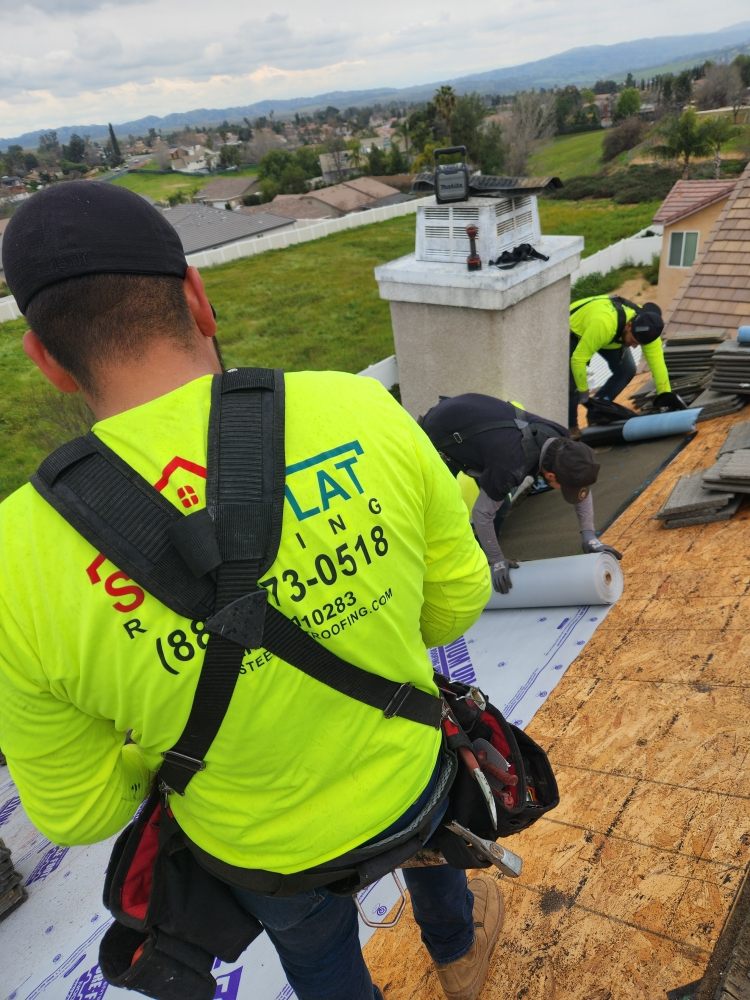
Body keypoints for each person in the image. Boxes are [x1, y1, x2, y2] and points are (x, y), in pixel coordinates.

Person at [0, 182, 502, 1000]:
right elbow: (454, 604)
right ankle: (457, 950)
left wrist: (160, 737)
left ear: (47, 360)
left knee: (320, 959)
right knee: (436, 853)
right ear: (198, 300)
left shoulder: (13, 557)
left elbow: (81, 813)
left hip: (266, 854)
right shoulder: (361, 409)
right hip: (410, 777)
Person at [419, 393, 622, 595]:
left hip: (471, 424)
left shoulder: (560, 440)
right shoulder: (511, 465)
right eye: (566, 486)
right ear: (551, 476)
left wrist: (589, 537)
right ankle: (456, 572)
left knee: (498, 500)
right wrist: (497, 560)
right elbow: (482, 514)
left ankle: (480, 555)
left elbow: (581, 486)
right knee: (443, 509)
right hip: (438, 435)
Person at [568, 295, 685, 434]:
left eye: (639, 344)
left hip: (611, 338)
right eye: (634, 341)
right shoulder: (604, 323)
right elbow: (578, 359)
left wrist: (666, 396)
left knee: (627, 370)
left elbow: (659, 367)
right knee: (573, 385)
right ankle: (571, 428)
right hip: (577, 330)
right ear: (629, 325)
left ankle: (598, 409)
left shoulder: (649, 333)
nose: (635, 347)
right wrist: (584, 392)